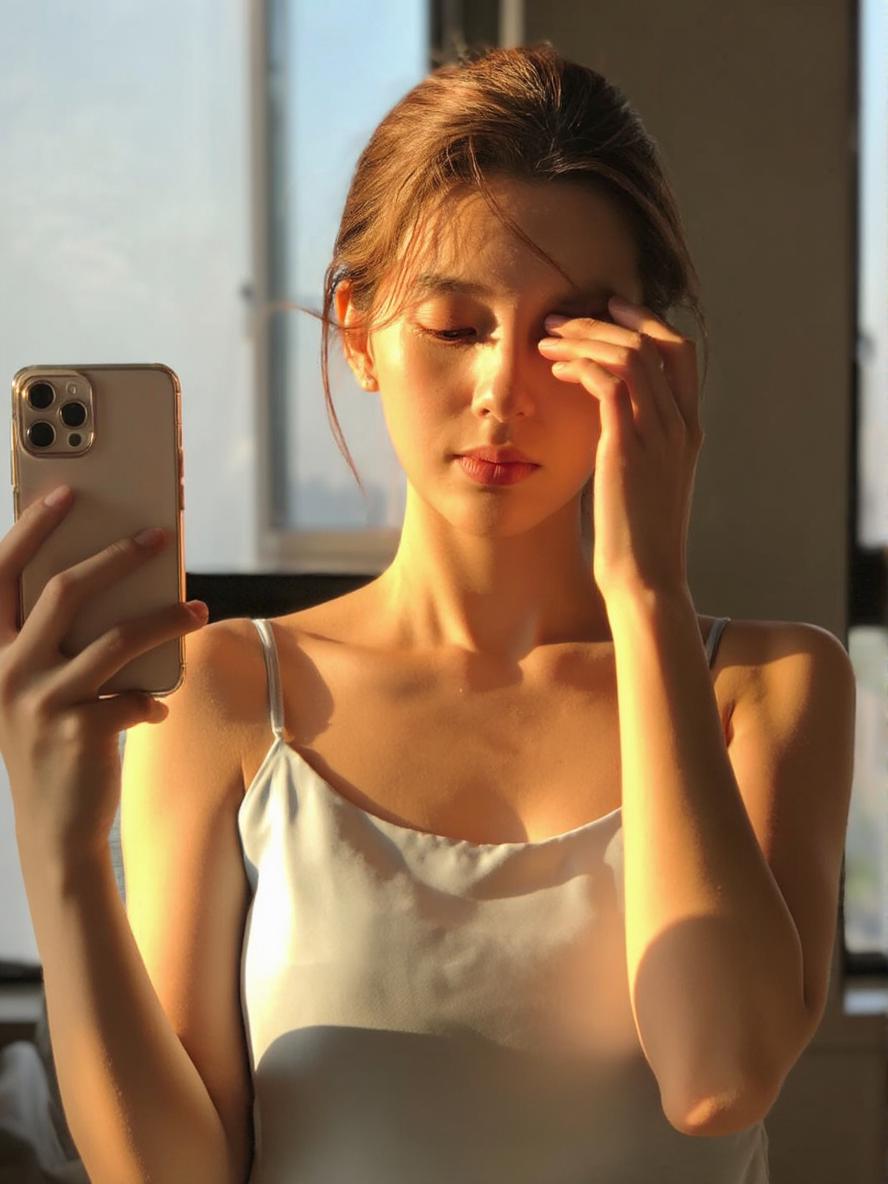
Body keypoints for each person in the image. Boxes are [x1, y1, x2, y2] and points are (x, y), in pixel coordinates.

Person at [3, 41, 855, 1184]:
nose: (503, 386)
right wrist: (57, 850)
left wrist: (647, 592)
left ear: (651, 356)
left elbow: (718, 1076)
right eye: (456, 326)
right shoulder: (226, 694)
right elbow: (168, 1174)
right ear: (358, 331)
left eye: (567, 330)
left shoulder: (768, 685)